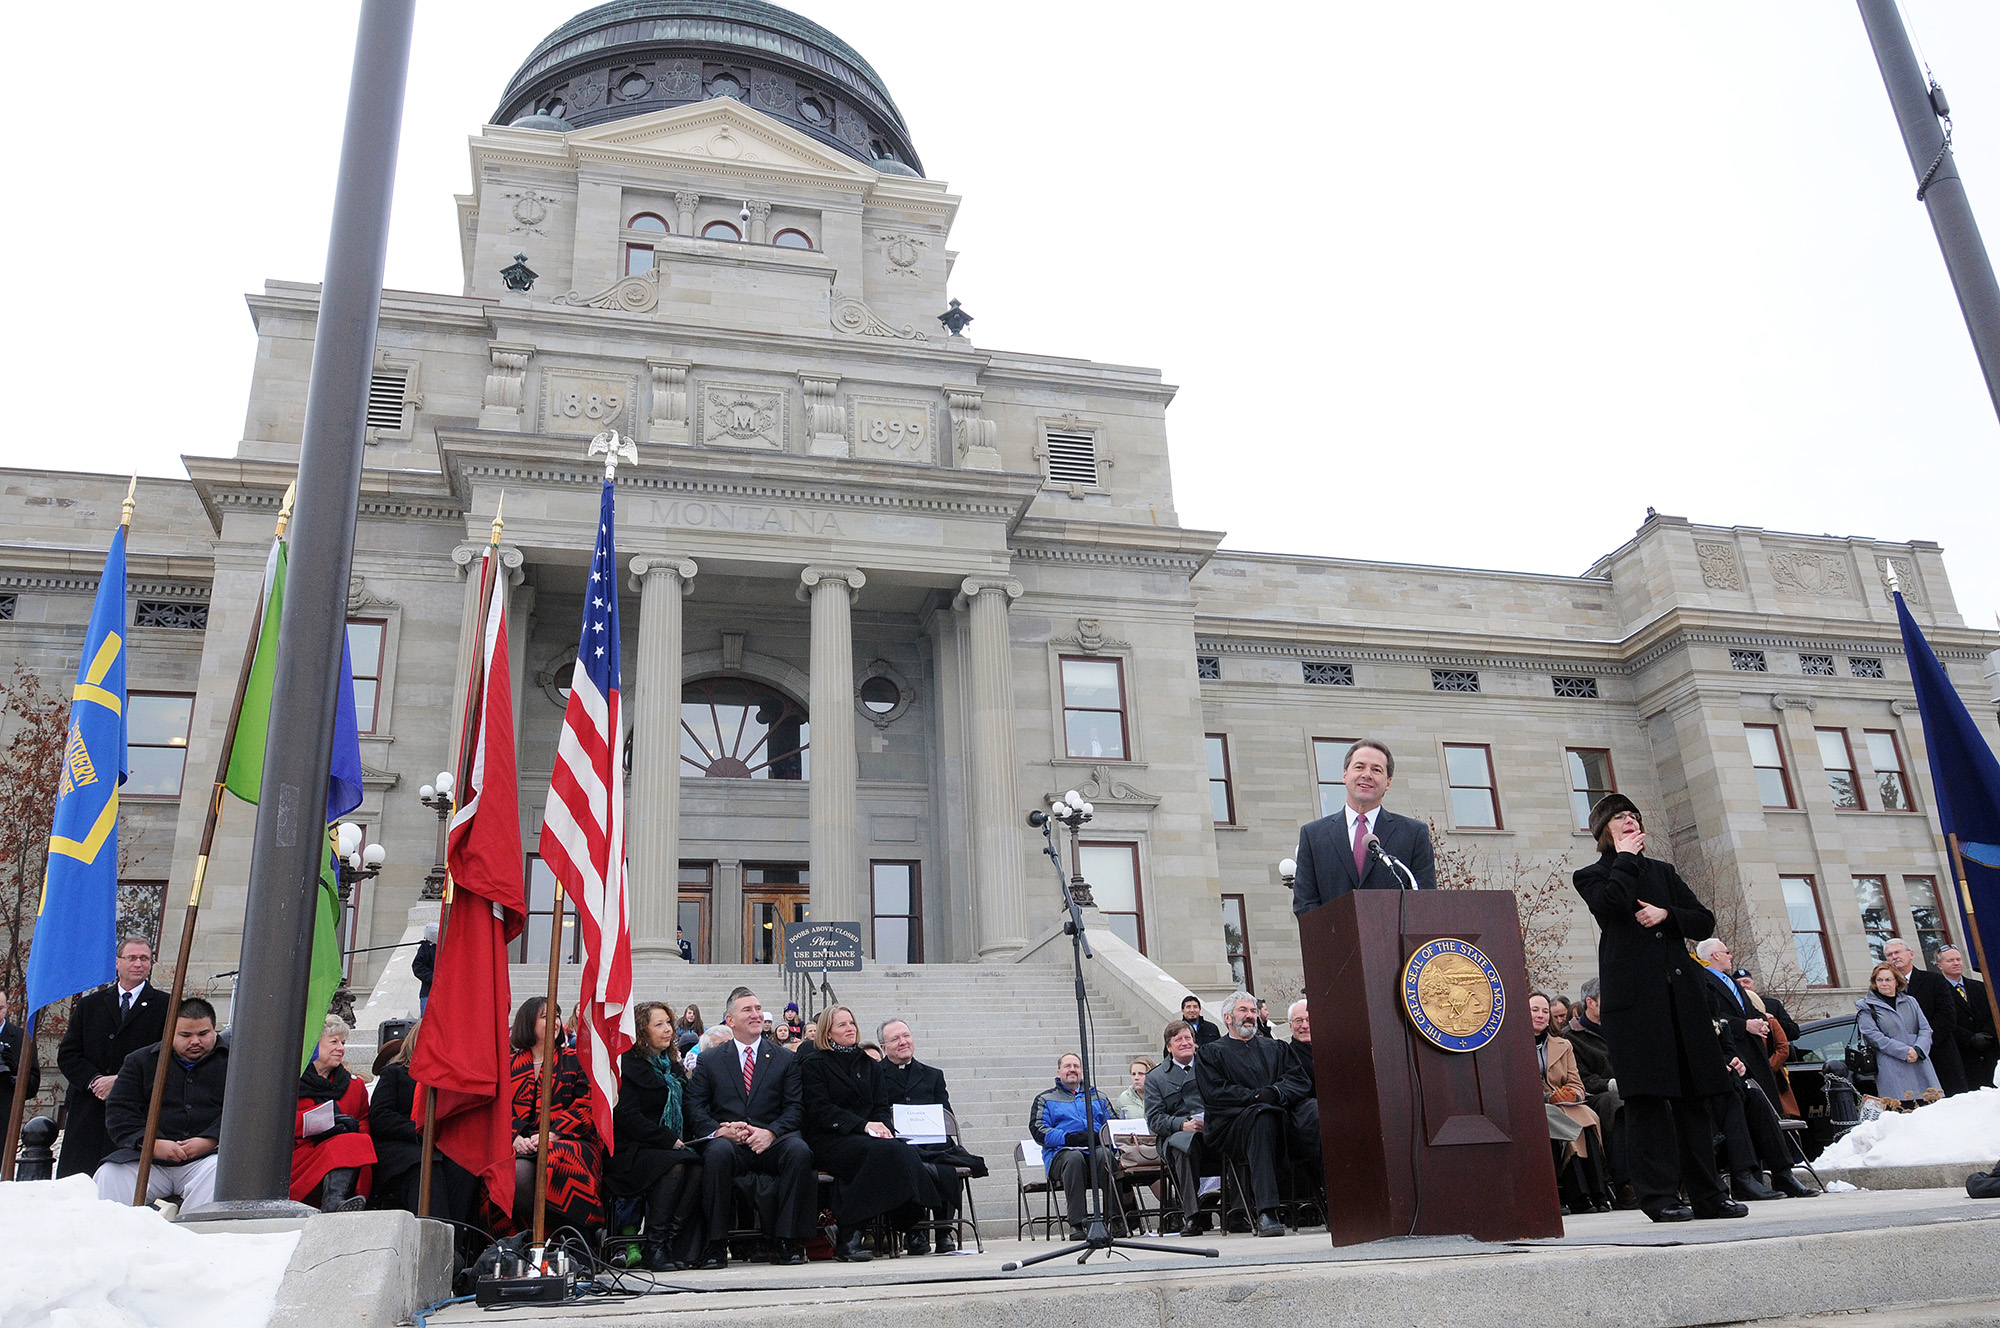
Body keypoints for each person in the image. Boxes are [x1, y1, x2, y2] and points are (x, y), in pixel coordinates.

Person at [1572, 794, 1745, 1223]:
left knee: (1695, 1101)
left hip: (1681, 1000)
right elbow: (1612, 905)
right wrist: (1626, 859)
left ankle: (1709, 1194)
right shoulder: (1591, 875)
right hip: (1635, 1008)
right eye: (1620, 819)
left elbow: (1702, 921)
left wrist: (1667, 915)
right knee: (1648, 1103)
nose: (1630, 823)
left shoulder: (1664, 873)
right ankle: (1660, 1196)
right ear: (1604, 833)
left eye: (1634, 817)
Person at [685, 986, 817, 1268]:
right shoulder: (710, 1060)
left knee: (799, 1151)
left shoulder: (785, 1058)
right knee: (716, 1153)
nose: (756, 1014)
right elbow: (694, 1106)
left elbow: (795, 1107)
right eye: (748, 1010)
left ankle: (786, 1241)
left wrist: (771, 1133)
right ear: (730, 1020)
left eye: (758, 1008)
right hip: (729, 1141)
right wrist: (719, 1130)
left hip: (770, 1140)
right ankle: (717, 1244)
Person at [802, 1006, 939, 1262]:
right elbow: (820, 1109)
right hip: (829, 1137)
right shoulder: (813, 1063)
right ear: (827, 1032)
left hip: (867, 1137)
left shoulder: (868, 1064)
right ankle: (853, 1232)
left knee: (897, 1148)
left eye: (851, 1022)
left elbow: (880, 1105)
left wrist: (883, 1127)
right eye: (842, 1025)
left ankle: (866, 1229)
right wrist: (863, 1126)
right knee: (876, 1153)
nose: (850, 1028)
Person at [1195, 991, 1314, 1237]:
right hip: (1233, 1127)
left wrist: (1275, 1093)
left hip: (1280, 1119)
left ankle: (1334, 1203)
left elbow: (1298, 1081)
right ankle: (1267, 1212)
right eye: (1243, 1011)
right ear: (1227, 1018)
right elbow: (1216, 1094)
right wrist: (1257, 1099)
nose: (1250, 1016)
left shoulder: (1276, 1048)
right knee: (1261, 1117)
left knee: (1315, 1116)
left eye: (1252, 1011)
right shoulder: (1211, 1053)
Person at [94, 997, 226, 1210]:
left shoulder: (234, 1062)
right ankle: (116, 1238)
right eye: (185, 1035)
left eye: (203, 1034)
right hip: (148, 1158)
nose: (195, 1041)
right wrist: (150, 1143)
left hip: (207, 1159)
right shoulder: (140, 1061)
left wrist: (211, 1139)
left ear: (214, 1029)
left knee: (223, 1172)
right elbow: (120, 1112)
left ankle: (195, 1236)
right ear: (170, 1032)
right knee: (110, 1174)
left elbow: (244, 1112)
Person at [56, 937, 168, 1179]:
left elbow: (165, 1056)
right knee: (79, 1183)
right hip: (89, 1109)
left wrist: (120, 1080)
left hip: (135, 1110)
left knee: (121, 1183)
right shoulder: (90, 1005)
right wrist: (95, 1080)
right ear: (118, 963)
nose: (138, 963)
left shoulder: (166, 1006)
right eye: (132, 958)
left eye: (144, 958)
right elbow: (68, 1054)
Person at [1291, 739, 1436, 913]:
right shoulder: (1313, 835)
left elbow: (1425, 900)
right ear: (1345, 775)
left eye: (1376, 769)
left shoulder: (1413, 834)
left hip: (1394, 938)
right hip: (1334, 938)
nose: (1367, 774)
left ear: (1388, 782)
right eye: (1359, 767)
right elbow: (1305, 903)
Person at [610, 1002, 704, 1272]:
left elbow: (688, 1105)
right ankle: (654, 1245)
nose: (668, 1029)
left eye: (668, 1023)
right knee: (675, 1165)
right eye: (659, 1024)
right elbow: (627, 1116)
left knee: (696, 1164)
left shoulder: (671, 1064)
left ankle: (669, 1241)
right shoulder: (627, 1064)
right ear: (642, 1031)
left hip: (666, 1145)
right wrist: (666, 1138)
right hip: (632, 1149)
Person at [877, 1017, 983, 1254]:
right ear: (883, 1047)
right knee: (909, 1165)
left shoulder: (933, 1075)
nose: (903, 1042)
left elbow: (946, 1114)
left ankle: (944, 1230)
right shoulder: (875, 1074)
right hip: (899, 1144)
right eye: (895, 1039)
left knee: (947, 1164)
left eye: (906, 1036)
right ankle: (914, 1231)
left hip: (933, 1141)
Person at [508, 996, 604, 1234]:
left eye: (558, 1015)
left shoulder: (575, 1059)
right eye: (545, 1016)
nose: (556, 1021)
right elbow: (498, 1111)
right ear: (527, 1022)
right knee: (511, 1172)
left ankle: (567, 1236)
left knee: (552, 1161)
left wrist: (553, 1134)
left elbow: (587, 1105)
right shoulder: (508, 1065)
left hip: (567, 1139)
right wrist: (515, 1137)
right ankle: (529, 1239)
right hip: (518, 1143)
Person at [368, 1019, 479, 1222]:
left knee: (463, 1166)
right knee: (427, 1165)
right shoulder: (394, 1073)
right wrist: (420, 1130)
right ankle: (434, 1235)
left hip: (439, 1144)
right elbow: (380, 1116)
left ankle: (454, 1240)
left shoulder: (450, 1079)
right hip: (400, 1147)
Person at [1529, 992, 1609, 1213]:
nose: (1541, 1015)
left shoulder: (1563, 1045)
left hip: (1565, 1103)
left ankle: (1598, 1193)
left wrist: (1572, 1094)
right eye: (1535, 1010)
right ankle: (1577, 1195)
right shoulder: (1514, 1046)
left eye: (1545, 1011)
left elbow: (1576, 1082)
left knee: (1587, 1116)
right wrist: (1548, 1097)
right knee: (1560, 1120)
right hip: (1537, 1105)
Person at [1030, 1052, 1125, 1239]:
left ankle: (1114, 1219)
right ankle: (1077, 1223)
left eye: (1076, 1066)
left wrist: (1099, 1137)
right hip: (1062, 1155)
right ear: (1059, 1072)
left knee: (1104, 1156)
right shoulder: (1045, 1099)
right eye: (1067, 1066)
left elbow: (1114, 1126)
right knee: (1073, 1158)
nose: (1072, 1070)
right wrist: (1069, 1138)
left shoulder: (1098, 1097)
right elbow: (1038, 1129)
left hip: (1095, 1151)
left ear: (1082, 1071)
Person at [291, 1016, 375, 1212]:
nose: (341, 1048)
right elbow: (276, 1122)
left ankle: (336, 1201)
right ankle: (334, 1204)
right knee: (351, 1143)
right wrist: (315, 1123)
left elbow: (365, 1121)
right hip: (301, 1154)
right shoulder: (289, 1082)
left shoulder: (355, 1086)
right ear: (313, 1044)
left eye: (343, 1043)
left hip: (346, 1154)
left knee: (354, 1142)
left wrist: (351, 1126)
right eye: (334, 1042)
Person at [1145, 1020, 1214, 1236]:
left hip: (1211, 1129)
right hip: (1177, 1136)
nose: (1185, 1043)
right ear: (1169, 1047)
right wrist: (1183, 1125)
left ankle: (1239, 1211)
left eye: (1188, 1038)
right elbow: (1154, 1120)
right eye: (1179, 1039)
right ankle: (1192, 1216)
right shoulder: (1156, 1077)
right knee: (1184, 1147)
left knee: (1238, 1137)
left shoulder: (1210, 1065)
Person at [1565, 979, 1630, 1207]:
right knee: (1616, 1103)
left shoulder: (1622, 1028)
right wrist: (1611, 1084)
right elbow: (1582, 1079)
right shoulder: (1570, 1037)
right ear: (1590, 1002)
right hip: (1595, 1097)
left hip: (1629, 1089)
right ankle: (1625, 1185)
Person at [1887, 939, 1968, 1096]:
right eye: (1889, 955)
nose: (1894, 957)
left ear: (1911, 954)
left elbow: (1947, 1016)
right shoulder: (1885, 989)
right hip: (1907, 1059)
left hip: (1940, 1055)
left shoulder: (1934, 980)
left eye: (1897, 952)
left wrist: (1922, 1044)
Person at [1857, 961, 1941, 1105]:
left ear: (1897, 981)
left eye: (1888, 979)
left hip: (1920, 1064)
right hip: (1892, 1067)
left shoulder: (1911, 1002)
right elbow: (1873, 1036)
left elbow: (1925, 1029)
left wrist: (1918, 1049)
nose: (1884, 983)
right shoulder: (1865, 1006)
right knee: (1902, 1112)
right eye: (1880, 980)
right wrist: (1904, 1052)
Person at [1937, 946, 1998, 1089]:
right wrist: (1970, 1038)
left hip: (1990, 1053)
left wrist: (1988, 1034)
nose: (1956, 963)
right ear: (1940, 965)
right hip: (1964, 1056)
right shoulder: (1938, 991)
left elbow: (1993, 1012)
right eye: (1950, 960)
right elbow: (1944, 1020)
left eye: (1958, 959)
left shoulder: (1981, 986)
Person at [0, 990, 40, 1107]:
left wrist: (15, 1070)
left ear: (7, 1005)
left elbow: (32, 1087)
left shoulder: (23, 1039)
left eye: (0, 1008)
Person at [413, 925, 437, 1012]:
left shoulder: (448, 947)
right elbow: (418, 967)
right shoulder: (425, 948)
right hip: (428, 992)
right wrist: (433, 977)